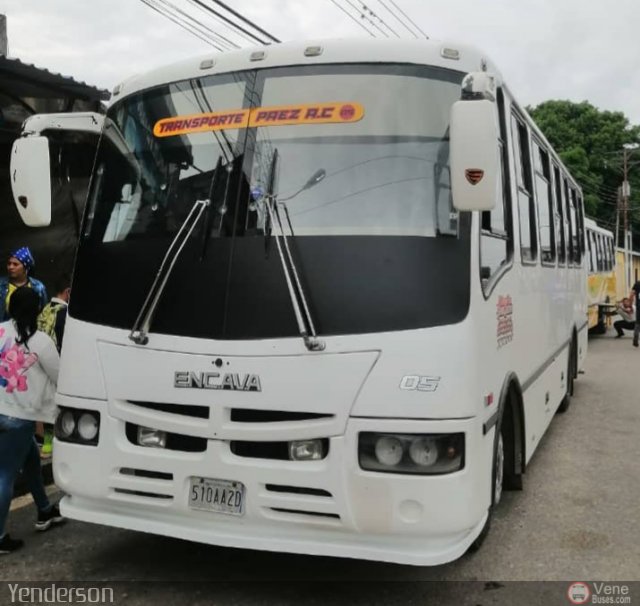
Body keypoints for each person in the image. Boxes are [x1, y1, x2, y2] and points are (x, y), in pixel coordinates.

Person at [0, 287, 64, 555]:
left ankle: (44, 510)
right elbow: (60, 375)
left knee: (31, 461)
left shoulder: (1, 330)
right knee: (4, 476)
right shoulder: (41, 342)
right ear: (37, 310)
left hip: (3, 412)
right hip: (20, 416)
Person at [0, 247, 48, 322]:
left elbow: (44, 313)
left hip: (29, 330)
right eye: (9, 264)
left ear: (26, 268)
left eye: (15, 264)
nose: (10, 267)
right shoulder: (1, 285)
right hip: (4, 330)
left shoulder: (38, 287)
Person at [630, 281, 640, 347]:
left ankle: (635, 339)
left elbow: (631, 294)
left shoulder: (637, 284)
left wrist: (630, 305)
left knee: (638, 323)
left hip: (639, 307)